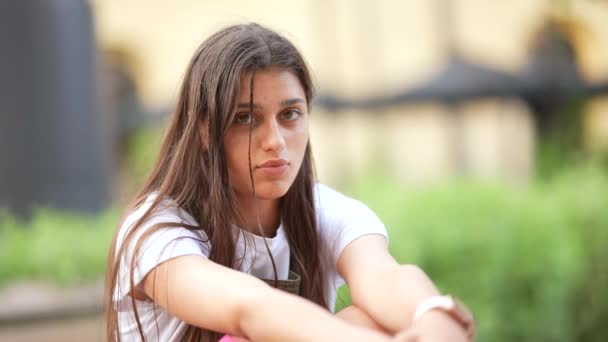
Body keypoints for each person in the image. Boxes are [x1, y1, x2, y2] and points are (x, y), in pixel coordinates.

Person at [104, 23, 475, 342]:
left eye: (290, 115)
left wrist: (433, 315)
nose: (276, 141)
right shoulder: (156, 229)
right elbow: (249, 307)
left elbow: (383, 276)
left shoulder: (325, 212)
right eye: (246, 118)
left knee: (376, 317)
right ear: (204, 130)